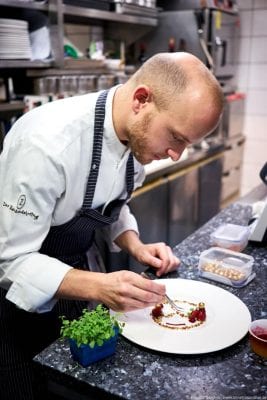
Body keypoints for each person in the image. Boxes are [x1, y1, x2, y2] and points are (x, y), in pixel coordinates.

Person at [0, 52, 224, 399]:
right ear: (141, 100)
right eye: (177, 138)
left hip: (71, 291)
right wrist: (99, 286)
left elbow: (110, 204)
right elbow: (10, 261)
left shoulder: (136, 137)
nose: (177, 154)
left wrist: (134, 243)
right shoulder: (46, 146)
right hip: (13, 311)